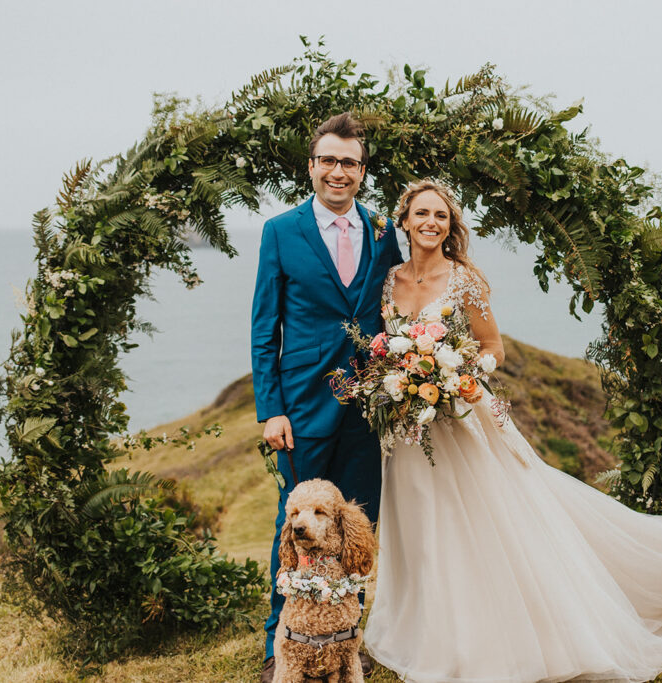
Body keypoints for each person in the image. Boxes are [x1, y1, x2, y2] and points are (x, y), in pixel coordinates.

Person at [362, 179, 662, 683]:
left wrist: (461, 373)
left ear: (451, 226)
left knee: (485, 518)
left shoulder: (466, 279)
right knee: (421, 522)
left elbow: (494, 347)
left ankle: (485, 631)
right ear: (403, 220)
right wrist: (399, 376)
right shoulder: (388, 280)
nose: (431, 223)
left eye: (441, 216)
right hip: (406, 425)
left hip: (466, 414)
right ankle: (428, 627)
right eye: (421, 214)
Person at [250, 112, 404, 681]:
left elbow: (394, 309)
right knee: (293, 525)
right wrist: (271, 410)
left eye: (350, 163)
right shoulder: (280, 232)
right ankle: (280, 643)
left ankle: (345, 640)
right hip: (303, 406)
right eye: (329, 161)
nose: (339, 172)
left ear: (363, 171)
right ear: (312, 166)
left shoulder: (386, 232)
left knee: (355, 527)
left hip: (368, 405)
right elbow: (265, 328)